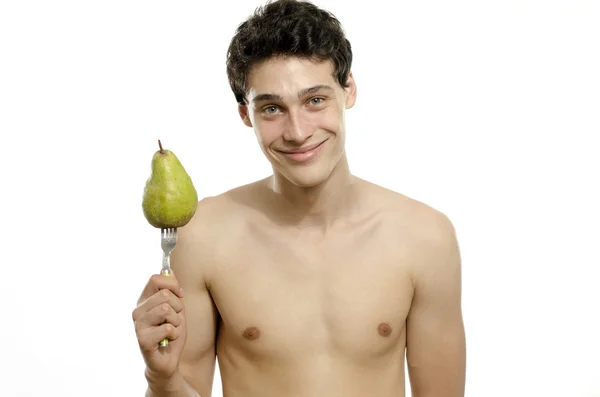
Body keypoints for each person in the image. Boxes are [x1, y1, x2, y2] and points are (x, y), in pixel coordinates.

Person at [132, 0, 467, 396]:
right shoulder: (202, 236)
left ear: (349, 90)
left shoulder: (425, 237)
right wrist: (162, 378)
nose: (297, 131)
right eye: (272, 108)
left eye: (315, 100)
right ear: (246, 115)